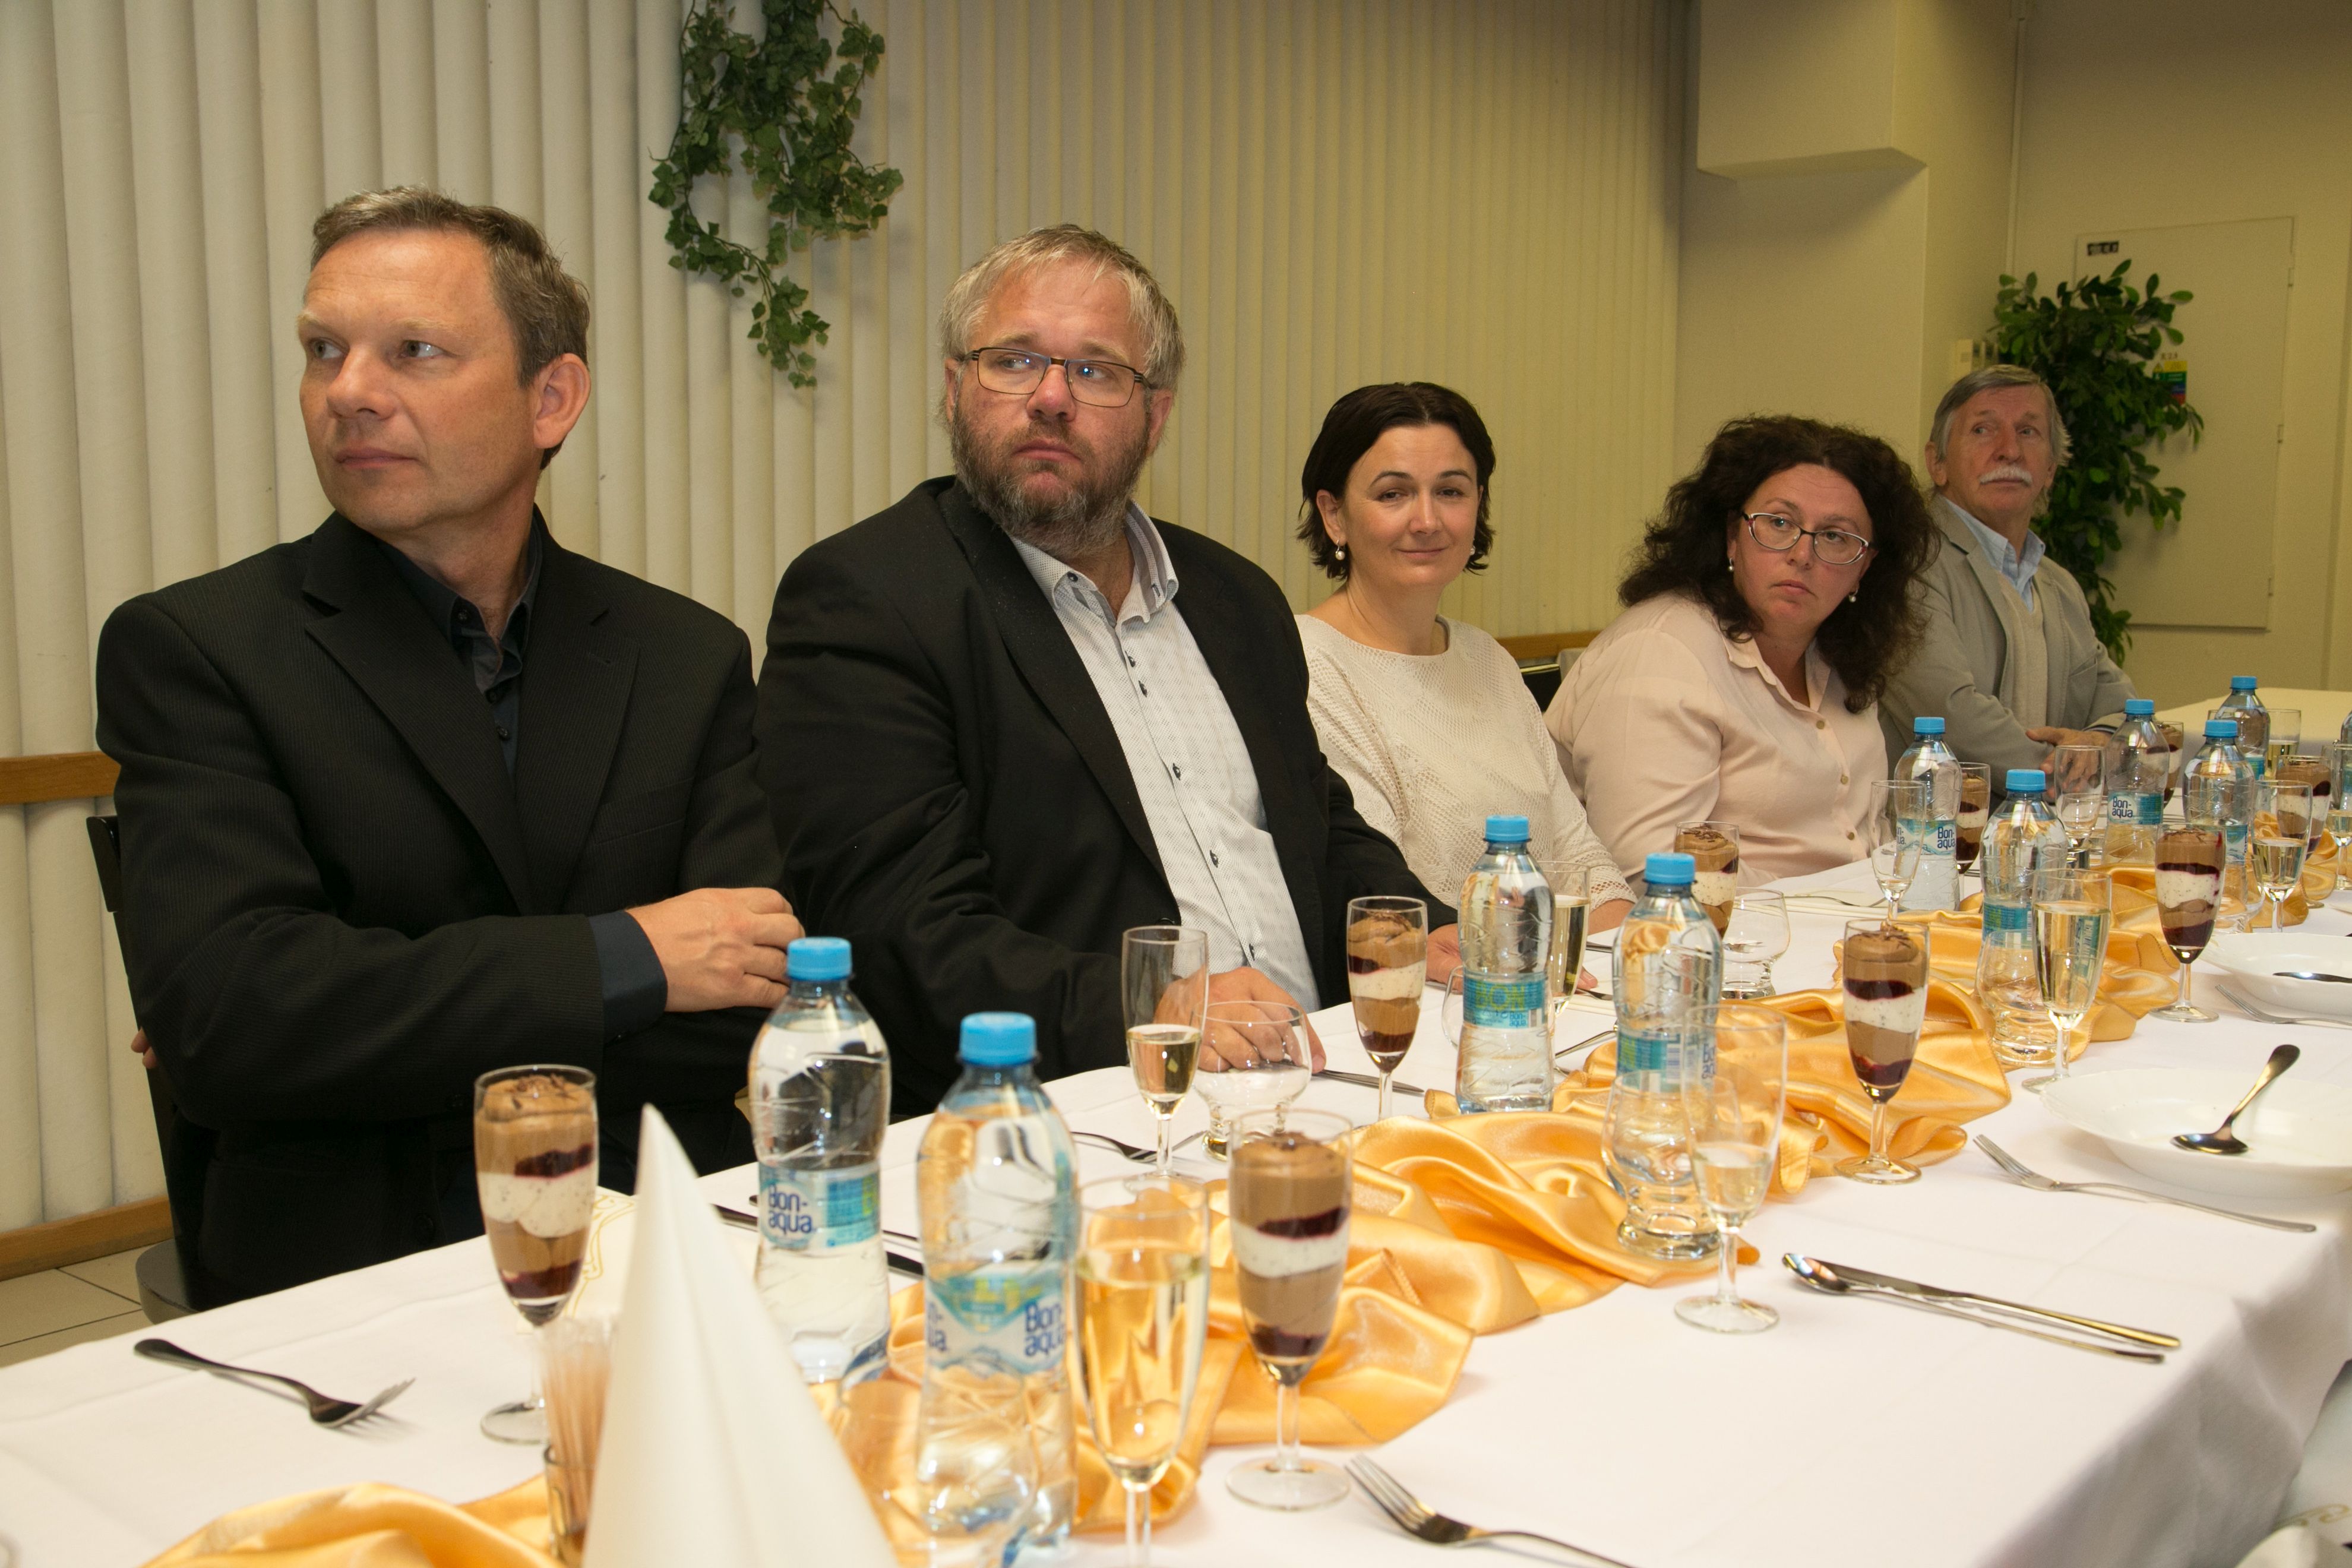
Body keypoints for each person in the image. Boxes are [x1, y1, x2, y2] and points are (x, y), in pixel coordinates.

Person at [96, 189, 797, 1299]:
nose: (349, 392)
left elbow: (747, 1000)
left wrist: (382, 1008)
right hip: (352, 1271)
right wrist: (629, 960)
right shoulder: (199, 649)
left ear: (550, 399)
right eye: (323, 350)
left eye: (414, 351)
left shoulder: (683, 654)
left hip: (659, 1247)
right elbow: (236, 1022)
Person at [757, 226, 1456, 1112]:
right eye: (1013, 361)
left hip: (1329, 1073)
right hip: (1078, 1111)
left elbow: (1316, 821)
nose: (1050, 398)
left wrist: (1420, 928)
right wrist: (1156, 1007)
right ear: (954, 389)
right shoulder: (870, 600)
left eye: (1095, 371)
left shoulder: (1237, 598)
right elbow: (900, 930)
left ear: (1155, 415)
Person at [1294, 382, 1632, 927]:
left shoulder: (1486, 658)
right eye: (1393, 494)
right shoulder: (1307, 665)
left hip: (1549, 968)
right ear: (1334, 515)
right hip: (1428, 971)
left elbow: (1578, 854)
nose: (1427, 520)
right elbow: (1384, 897)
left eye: (1450, 491)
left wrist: (1619, 949)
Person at [1547, 415, 1938, 884]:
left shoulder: (1838, 652)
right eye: (1779, 523)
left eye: (1836, 536)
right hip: (1736, 927)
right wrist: (1819, 909)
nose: (1802, 555)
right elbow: (1648, 872)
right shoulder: (1662, 652)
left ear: (1864, 567)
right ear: (1733, 537)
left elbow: (1868, 836)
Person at [1879, 363, 2139, 773]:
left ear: (2050, 469)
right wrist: (2065, 771)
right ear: (1937, 463)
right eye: (1983, 430)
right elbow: (1950, 715)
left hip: (2044, 810)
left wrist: (2100, 743)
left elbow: (2123, 708)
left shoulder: (2059, 585)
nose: (2009, 450)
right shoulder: (1907, 565)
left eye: (2028, 431)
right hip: (1938, 814)